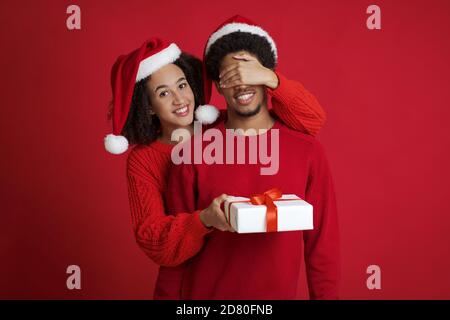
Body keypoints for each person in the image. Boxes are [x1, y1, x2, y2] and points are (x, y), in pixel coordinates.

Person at [105, 36, 328, 297]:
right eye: (163, 93)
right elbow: (155, 242)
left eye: (182, 85)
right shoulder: (144, 160)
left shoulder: (223, 126)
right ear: (148, 107)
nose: (180, 100)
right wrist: (203, 220)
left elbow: (311, 123)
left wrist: (271, 78)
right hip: (192, 286)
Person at [163, 15, 340, 300]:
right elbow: (174, 254)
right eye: (230, 76)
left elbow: (323, 246)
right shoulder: (191, 153)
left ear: (268, 76)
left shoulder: (307, 151)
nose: (241, 84)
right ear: (218, 86)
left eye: (249, 72)